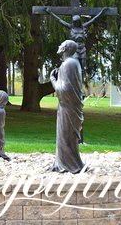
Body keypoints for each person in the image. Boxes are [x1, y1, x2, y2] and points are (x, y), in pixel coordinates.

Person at [50, 40, 85, 174]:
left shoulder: (67, 64)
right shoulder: (74, 63)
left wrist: (53, 79)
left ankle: (68, 165)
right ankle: (70, 163)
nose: (58, 46)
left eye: (61, 44)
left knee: (65, 137)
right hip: (70, 106)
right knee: (68, 137)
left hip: (68, 107)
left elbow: (63, 91)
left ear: (64, 48)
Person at [44, 7, 107, 72]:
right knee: (76, 64)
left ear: (79, 21)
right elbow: (59, 20)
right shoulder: (71, 27)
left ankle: (81, 79)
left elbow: (94, 19)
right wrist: (50, 13)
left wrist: (102, 12)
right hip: (74, 49)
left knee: (83, 66)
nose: (76, 23)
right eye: (74, 22)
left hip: (82, 48)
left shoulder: (83, 26)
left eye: (77, 22)